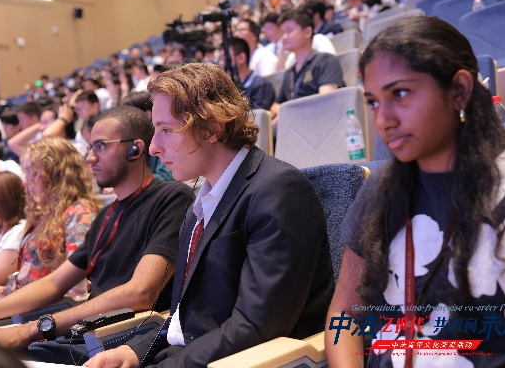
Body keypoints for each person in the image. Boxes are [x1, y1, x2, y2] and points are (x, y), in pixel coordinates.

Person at [325, 16, 505, 367]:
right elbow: (345, 316)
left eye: (400, 94)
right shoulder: (380, 191)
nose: (383, 120)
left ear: (459, 90)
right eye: (373, 102)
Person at [84, 62, 334, 368]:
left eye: (166, 130)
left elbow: (255, 328)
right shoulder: (200, 205)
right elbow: (187, 319)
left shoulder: (278, 190)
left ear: (212, 127)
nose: (153, 148)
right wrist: (133, 351)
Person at [0, 109, 192, 367]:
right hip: (80, 336)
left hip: (117, 341)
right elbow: (54, 282)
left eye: (101, 146)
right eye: (90, 147)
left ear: (135, 149)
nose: (90, 157)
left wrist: (31, 329)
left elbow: (140, 292)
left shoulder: (171, 198)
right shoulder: (106, 215)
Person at [271, 10, 345, 127]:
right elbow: (276, 105)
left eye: (289, 31)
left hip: (321, 125)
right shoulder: (289, 73)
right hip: (293, 126)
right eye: (282, 33)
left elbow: (326, 101)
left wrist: (288, 112)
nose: (284, 37)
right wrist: (284, 112)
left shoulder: (325, 60)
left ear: (307, 32)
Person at [229, 37, 276, 110]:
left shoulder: (261, 85)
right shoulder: (231, 88)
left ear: (241, 58)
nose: (222, 63)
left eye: (227, 58)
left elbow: (258, 115)